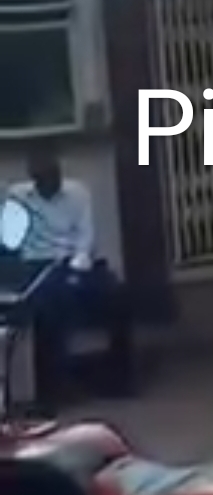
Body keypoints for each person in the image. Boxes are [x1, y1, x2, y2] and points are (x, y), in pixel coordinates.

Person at [8, 143, 133, 410]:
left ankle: (119, 379)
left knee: (117, 296)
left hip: (74, 261)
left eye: (53, 177)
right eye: (43, 179)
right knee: (47, 305)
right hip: (36, 264)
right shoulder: (18, 197)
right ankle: (53, 386)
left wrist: (75, 272)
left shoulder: (78, 193)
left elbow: (85, 240)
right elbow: (11, 242)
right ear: (34, 179)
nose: (50, 184)